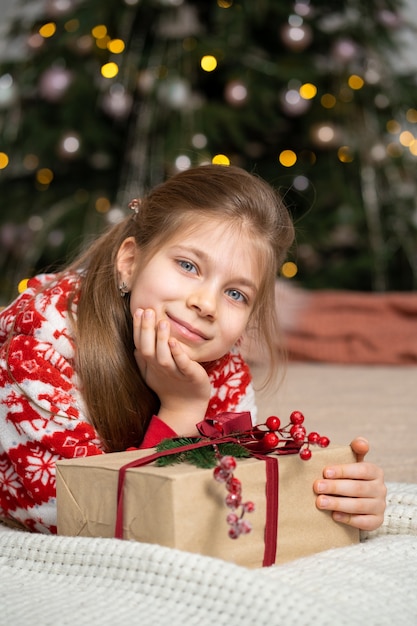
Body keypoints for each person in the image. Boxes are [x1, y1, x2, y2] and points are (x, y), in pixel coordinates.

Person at [0, 164, 386, 534]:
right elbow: (78, 514)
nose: (206, 304)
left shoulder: (220, 365)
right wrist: (182, 411)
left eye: (235, 293)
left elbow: (227, 491)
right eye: (188, 265)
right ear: (131, 262)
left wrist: (332, 496)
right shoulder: (39, 345)